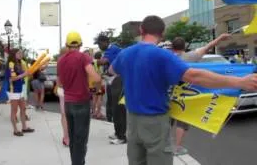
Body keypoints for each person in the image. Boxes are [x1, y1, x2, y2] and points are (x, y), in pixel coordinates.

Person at [109, 15, 257, 165]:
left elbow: (112, 70)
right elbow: (194, 76)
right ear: (162, 33)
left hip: (132, 119)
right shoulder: (162, 55)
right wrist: (240, 81)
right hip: (155, 121)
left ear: (141, 30)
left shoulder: (125, 53)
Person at [169, 33, 231, 155]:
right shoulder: (190, 57)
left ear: (172, 47)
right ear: (185, 46)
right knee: (182, 121)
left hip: (167, 94)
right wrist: (220, 38)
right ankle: (177, 147)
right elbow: (208, 46)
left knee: (166, 121)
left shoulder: (167, 58)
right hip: (184, 96)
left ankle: (163, 145)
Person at [57, 32, 101, 165]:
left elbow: (59, 83)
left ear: (67, 45)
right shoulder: (83, 57)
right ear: (80, 44)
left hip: (68, 103)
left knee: (72, 138)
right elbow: (96, 77)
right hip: (81, 102)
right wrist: (96, 88)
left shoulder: (61, 60)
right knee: (81, 140)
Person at [95, 35, 124, 144]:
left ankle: (122, 136)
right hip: (110, 80)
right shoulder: (108, 50)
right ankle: (117, 132)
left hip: (117, 80)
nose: (99, 46)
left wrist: (92, 62)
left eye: (100, 44)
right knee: (112, 106)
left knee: (118, 109)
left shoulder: (113, 49)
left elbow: (104, 61)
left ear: (106, 42)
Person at [5, 48, 34, 137]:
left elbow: (21, 75)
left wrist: (27, 74)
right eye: (19, 53)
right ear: (14, 54)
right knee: (14, 110)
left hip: (20, 88)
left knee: (23, 108)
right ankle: (15, 130)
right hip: (13, 90)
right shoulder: (11, 64)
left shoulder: (19, 63)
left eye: (21, 53)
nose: (21, 54)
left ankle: (24, 127)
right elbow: (11, 79)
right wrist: (24, 74)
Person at [55, 46, 69, 146]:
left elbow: (58, 80)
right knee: (71, 114)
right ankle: (69, 136)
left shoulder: (59, 62)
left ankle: (66, 137)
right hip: (70, 91)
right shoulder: (73, 61)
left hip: (62, 90)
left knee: (64, 114)